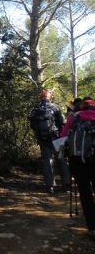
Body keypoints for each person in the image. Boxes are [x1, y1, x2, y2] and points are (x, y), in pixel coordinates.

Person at [60, 98, 95, 240]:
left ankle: (92, 228)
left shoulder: (74, 118)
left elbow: (62, 138)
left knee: (85, 194)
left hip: (77, 161)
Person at [29, 90, 69, 194]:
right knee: (61, 159)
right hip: (57, 138)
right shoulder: (55, 107)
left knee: (47, 160)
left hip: (43, 138)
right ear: (50, 98)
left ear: (40, 97)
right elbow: (62, 122)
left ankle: (50, 186)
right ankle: (66, 184)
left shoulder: (35, 109)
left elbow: (32, 125)